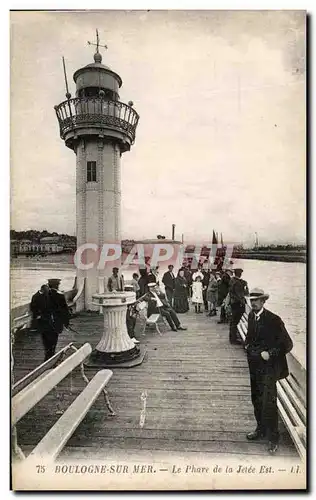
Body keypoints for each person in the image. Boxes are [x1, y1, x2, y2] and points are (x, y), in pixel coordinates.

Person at [245, 288, 293, 455]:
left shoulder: (274, 320)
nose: (253, 303)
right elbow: (250, 337)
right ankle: (260, 429)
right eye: (251, 300)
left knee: (269, 402)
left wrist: (270, 353)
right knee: (256, 398)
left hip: (269, 368)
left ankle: (273, 438)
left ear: (264, 301)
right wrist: (247, 346)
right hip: (254, 366)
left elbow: (287, 344)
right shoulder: (252, 316)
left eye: (257, 300)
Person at [228, 268, 249, 344]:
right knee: (235, 321)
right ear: (240, 274)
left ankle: (232, 337)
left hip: (233, 303)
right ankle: (233, 339)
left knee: (233, 321)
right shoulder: (239, 283)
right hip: (238, 304)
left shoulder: (232, 281)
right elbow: (243, 294)